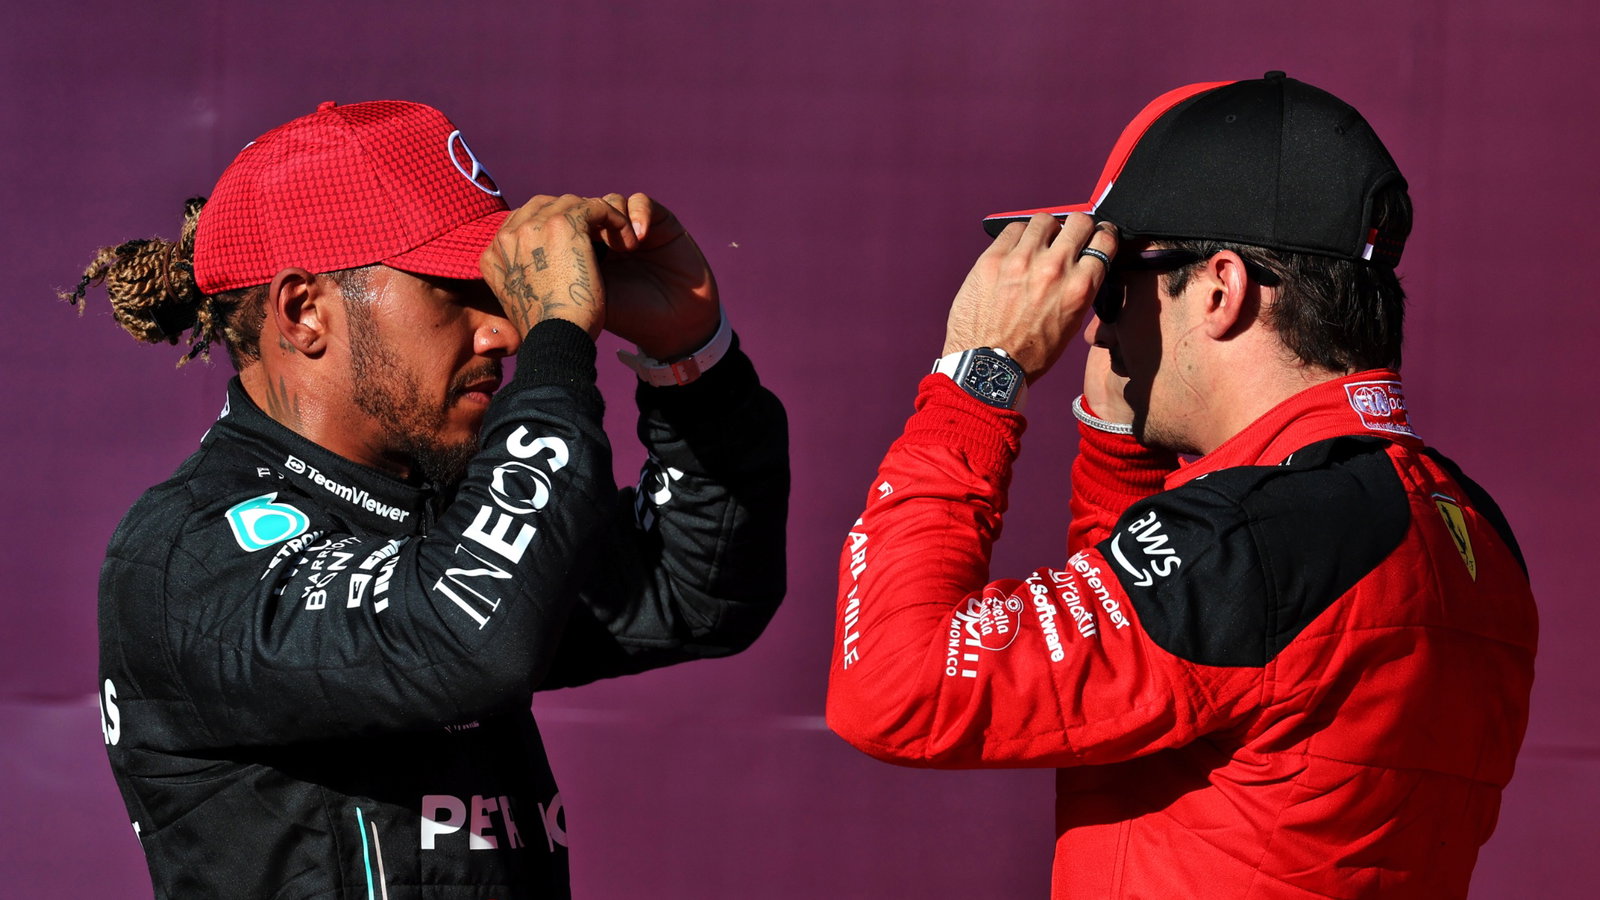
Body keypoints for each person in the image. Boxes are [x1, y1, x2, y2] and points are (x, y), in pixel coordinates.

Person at [826, 72, 1536, 898]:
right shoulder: (1464, 522)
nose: (1094, 319)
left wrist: (978, 380)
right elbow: (1146, 684)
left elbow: (895, 687)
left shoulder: (1260, 541)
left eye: (1114, 278)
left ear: (1219, 289)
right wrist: (1119, 448)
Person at [65, 100, 788, 898]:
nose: (503, 332)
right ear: (306, 312)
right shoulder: (185, 554)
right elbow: (462, 639)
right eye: (457, 291)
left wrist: (691, 360)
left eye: (502, 290)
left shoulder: (438, 511)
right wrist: (559, 350)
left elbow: (695, 589)